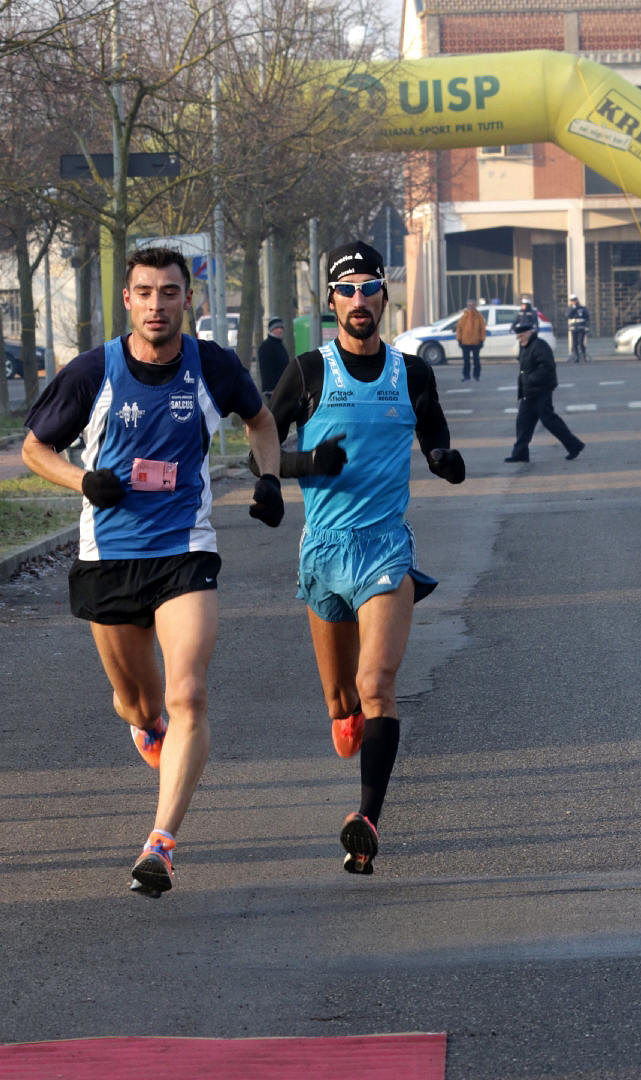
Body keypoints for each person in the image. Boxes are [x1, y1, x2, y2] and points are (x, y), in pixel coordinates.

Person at [21, 246, 283, 898]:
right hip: (108, 555)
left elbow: (259, 420)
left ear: (186, 300)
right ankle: (147, 726)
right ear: (127, 300)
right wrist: (84, 479)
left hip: (183, 551)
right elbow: (34, 448)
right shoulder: (93, 372)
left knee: (188, 692)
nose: (157, 305)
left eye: (169, 293)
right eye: (145, 293)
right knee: (135, 702)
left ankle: (160, 845)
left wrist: (270, 478)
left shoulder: (212, 365)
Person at [260, 240, 465, 875]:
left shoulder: (413, 373)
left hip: (385, 550)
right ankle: (346, 720)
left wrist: (442, 460)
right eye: (345, 290)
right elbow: (261, 452)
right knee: (342, 702)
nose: (358, 300)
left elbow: (433, 431)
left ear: (383, 297)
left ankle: (366, 820)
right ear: (330, 302)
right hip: (323, 553)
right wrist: (299, 467)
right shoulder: (308, 371)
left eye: (368, 288)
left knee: (377, 686)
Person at [504, 315, 585, 463]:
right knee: (523, 423)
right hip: (528, 393)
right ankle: (520, 453)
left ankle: (574, 445)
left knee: (550, 421)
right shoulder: (525, 347)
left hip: (541, 392)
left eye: (521, 335)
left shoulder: (539, 345)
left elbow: (547, 368)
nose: (518, 339)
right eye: (517, 336)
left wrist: (530, 379)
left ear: (529, 333)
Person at [258, 315, 289, 399]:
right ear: (271, 329)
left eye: (281, 327)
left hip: (283, 387)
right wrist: (270, 389)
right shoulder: (266, 346)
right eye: (277, 327)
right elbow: (266, 369)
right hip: (274, 390)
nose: (280, 330)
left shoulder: (280, 345)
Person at [455, 298, 486, 381]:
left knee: (476, 361)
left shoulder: (479, 316)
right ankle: (466, 376)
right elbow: (459, 329)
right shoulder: (463, 316)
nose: (471, 307)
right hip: (465, 342)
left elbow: (482, 329)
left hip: (476, 342)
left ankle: (476, 376)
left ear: (475, 306)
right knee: (466, 361)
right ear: (467, 306)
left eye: (472, 305)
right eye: (469, 305)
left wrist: (482, 340)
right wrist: (459, 339)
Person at [567, 293, 590, 362]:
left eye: (574, 300)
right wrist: (573, 308)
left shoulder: (582, 308)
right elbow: (568, 316)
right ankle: (576, 357)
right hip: (574, 328)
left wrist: (587, 326)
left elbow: (587, 317)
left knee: (580, 342)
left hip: (581, 327)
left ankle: (583, 355)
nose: (573, 301)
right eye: (572, 300)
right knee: (574, 343)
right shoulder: (570, 308)